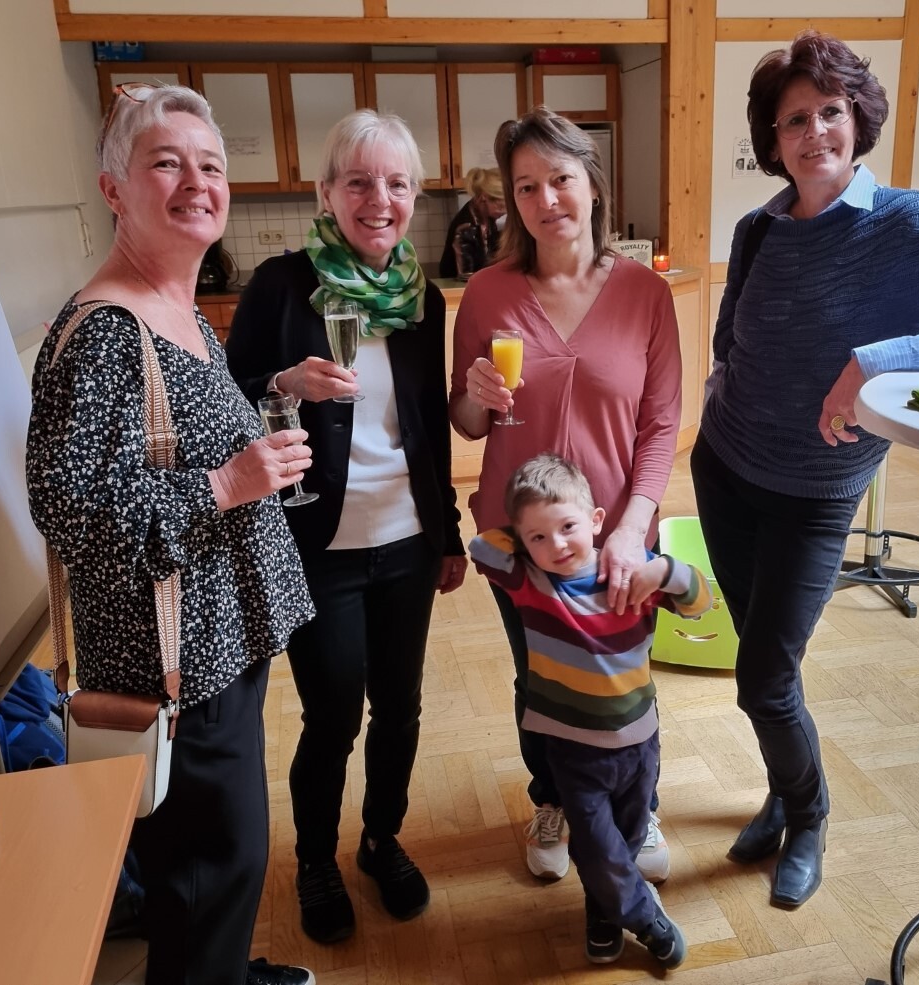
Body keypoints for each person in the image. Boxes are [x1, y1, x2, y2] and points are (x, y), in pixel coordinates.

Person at [25, 84, 317, 985]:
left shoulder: (176, 310)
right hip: (173, 666)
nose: (197, 181)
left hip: (217, 649)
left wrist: (260, 419)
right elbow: (74, 513)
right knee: (208, 869)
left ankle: (226, 968)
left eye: (211, 165)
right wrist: (228, 483)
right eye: (167, 162)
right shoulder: (109, 333)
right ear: (114, 189)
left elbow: (174, 439)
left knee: (221, 863)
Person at [694, 30, 919, 910]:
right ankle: (782, 796)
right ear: (772, 138)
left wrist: (875, 358)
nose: (814, 132)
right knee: (765, 668)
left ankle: (810, 813)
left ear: (857, 118)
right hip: (725, 467)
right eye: (794, 120)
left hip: (815, 494)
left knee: (762, 678)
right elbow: (729, 339)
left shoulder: (906, 221)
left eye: (830, 111)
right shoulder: (757, 229)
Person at [226, 109, 467, 947]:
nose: (379, 199)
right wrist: (283, 384)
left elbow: (428, 427)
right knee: (332, 717)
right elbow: (227, 407)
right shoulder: (279, 286)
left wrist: (448, 532)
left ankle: (380, 839)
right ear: (326, 192)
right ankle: (316, 859)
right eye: (359, 181)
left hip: (407, 539)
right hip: (317, 547)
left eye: (397, 183)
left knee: (400, 709)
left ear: (414, 197)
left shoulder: (421, 297)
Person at [449, 106, 683, 884]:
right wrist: (476, 393)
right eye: (526, 186)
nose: (546, 199)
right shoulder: (487, 293)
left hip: (615, 533)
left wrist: (633, 529)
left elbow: (661, 425)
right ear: (511, 199)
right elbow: (467, 421)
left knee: (624, 675)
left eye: (560, 179)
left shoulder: (645, 294)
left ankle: (635, 807)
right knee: (538, 678)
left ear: (593, 185)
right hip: (521, 538)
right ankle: (551, 797)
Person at [469, 454, 709, 969]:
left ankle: (602, 910)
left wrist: (663, 568)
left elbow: (699, 603)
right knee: (598, 847)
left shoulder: (632, 573)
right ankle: (646, 920)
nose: (557, 545)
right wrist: (526, 538)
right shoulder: (530, 581)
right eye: (538, 537)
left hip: (639, 743)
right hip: (573, 751)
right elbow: (482, 546)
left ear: (597, 520)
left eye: (568, 527)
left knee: (625, 840)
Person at [438, 166, 506, 278]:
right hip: (456, 285)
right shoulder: (465, 226)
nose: (504, 211)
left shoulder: (488, 218)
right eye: (501, 206)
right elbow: (466, 275)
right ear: (484, 198)